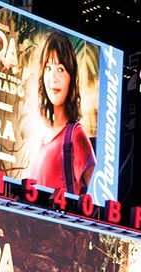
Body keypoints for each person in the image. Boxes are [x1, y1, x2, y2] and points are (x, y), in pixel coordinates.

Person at [25, 32, 94, 195]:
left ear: (71, 77)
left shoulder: (76, 135)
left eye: (61, 69)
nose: (53, 78)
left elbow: (97, 196)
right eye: (48, 68)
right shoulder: (43, 138)